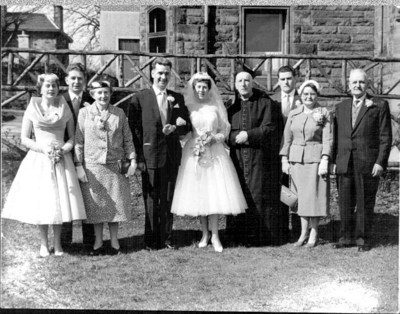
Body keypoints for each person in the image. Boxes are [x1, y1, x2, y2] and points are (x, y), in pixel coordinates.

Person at [2, 73, 87, 257]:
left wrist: (63, 150)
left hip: (61, 160)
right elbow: (25, 138)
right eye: (47, 86)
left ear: (58, 88)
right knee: (43, 201)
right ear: (40, 89)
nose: (51, 89)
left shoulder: (64, 107)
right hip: (39, 160)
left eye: (54, 86)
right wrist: (44, 149)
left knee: (60, 201)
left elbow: (72, 137)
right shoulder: (32, 108)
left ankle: (57, 245)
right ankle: (43, 244)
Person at [171, 72, 247, 253]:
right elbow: (184, 129)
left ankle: (215, 235)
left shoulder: (216, 106)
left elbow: (224, 130)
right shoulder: (188, 106)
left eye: (205, 87)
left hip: (214, 151)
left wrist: (214, 138)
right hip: (194, 151)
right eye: (199, 87)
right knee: (200, 193)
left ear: (209, 88)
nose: (202, 90)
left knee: (214, 192)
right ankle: (204, 233)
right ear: (194, 88)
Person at [126, 57, 191, 250]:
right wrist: (137, 156)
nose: (163, 77)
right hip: (150, 155)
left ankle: (168, 238)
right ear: (152, 74)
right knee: (151, 199)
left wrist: (177, 129)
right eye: (160, 73)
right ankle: (152, 240)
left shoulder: (177, 98)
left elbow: (186, 125)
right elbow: (133, 129)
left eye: (166, 74)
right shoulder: (140, 98)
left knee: (168, 198)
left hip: (171, 155)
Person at [332, 69, 392, 252]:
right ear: (349, 85)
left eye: (361, 82)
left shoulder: (379, 105)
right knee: (345, 201)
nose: (357, 86)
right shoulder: (341, 107)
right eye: (354, 82)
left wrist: (380, 162)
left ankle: (362, 239)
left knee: (365, 201)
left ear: (367, 84)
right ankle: (345, 237)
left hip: (367, 162)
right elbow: (336, 136)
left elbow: (385, 137)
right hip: (344, 161)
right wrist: (334, 161)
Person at [75, 80, 137, 255]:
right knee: (97, 205)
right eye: (99, 93)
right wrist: (78, 164)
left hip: (115, 165)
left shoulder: (119, 113)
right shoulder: (84, 113)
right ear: (93, 94)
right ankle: (98, 242)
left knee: (116, 204)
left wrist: (132, 161)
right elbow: (79, 141)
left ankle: (115, 242)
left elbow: (127, 139)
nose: (103, 96)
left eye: (106, 92)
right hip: (93, 166)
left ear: (110, 94)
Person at [225, 69, 282, 247]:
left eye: (247, 81)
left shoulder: (265, 103)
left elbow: (270, 128)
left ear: (252, 83)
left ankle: (259, 237)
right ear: (235, 84)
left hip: (259, 157)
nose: (243, 84)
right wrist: (235, 137)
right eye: (240, 81)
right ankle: (237, 237)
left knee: (258, 195)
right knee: (237, 193)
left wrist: (248, 135)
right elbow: (225, 130)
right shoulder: (231, 106)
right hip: (237, 158)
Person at [280, 80, 333, 248]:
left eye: (312, 94)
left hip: (315, 161)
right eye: (305, 94)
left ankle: (314, 232)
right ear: (300, 96)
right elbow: (287, 138)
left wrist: (325, 158)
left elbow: (328, 138)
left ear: (316, 95)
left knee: (314, 196)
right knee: (301, 198)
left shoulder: (324, 112)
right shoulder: (294, 113)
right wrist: (284, 159)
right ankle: (303, 233)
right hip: (297, 161)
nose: (308, 97)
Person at [61, 62, 95, 248]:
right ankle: (65, 241)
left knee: (87, 197)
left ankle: (89, 242)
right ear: (66, 80)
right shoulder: (59, 100)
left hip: (87, 156)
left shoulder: (93, 99)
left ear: (85, 81)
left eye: (80, 79)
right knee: (67, 195)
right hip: (64, 154)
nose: (76, 82)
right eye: (73, 78)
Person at [270, 65, 302, 245]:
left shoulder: (304, 97)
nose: (286, 82)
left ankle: (299, 231)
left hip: (298, 151)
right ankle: (282, 232)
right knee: (281, 191)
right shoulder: (273, 100)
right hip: (278, 152)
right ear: (278, 80)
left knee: (299, 190)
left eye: (289, 78)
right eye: (282, 79)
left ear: (295, 78)